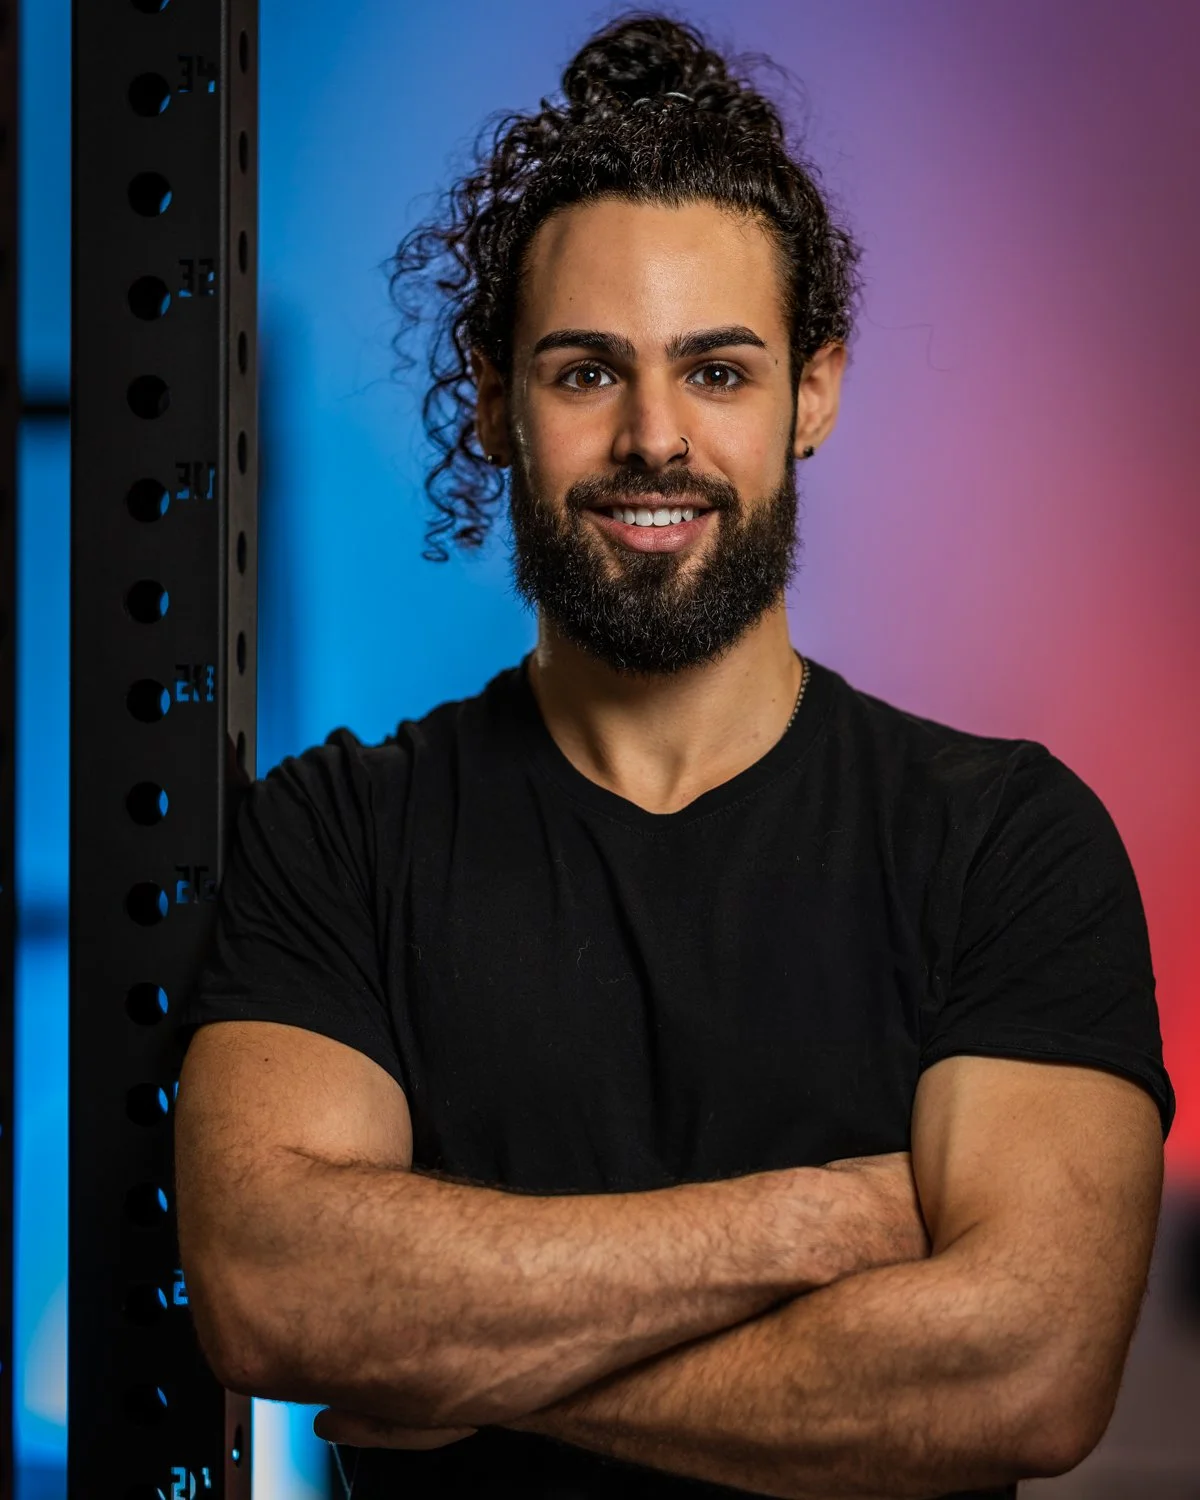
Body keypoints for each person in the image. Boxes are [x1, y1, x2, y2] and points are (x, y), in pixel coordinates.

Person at [173, 12, 1174, 1500]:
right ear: (498, 396)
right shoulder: (338, 835)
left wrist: (476, 1363)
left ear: (812, 393)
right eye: (586, 372)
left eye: (718, 371)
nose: (655, 439)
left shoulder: (1008, 844)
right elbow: (275, 1294)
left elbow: (1025, 1374)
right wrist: (817, 1228)